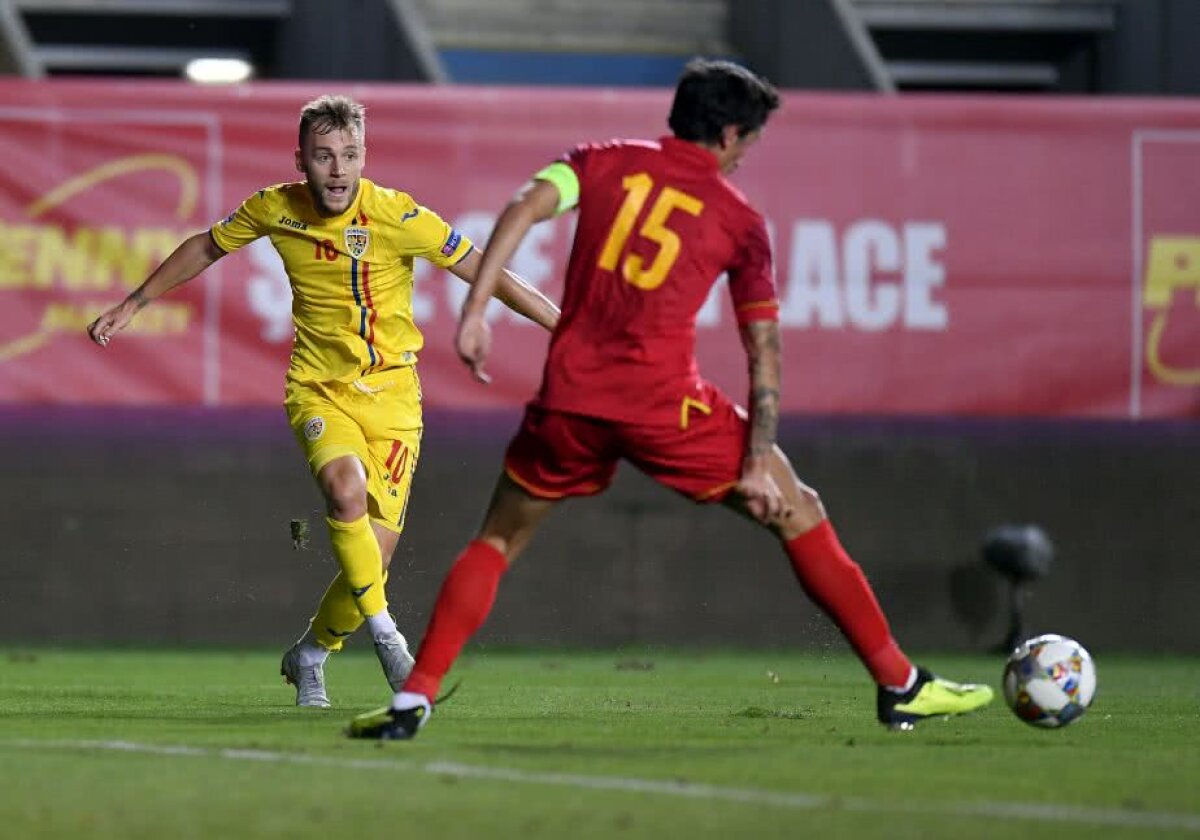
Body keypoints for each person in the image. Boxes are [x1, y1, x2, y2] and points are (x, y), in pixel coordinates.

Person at [348, 60, 993, 740]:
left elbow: (522, 207)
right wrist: (754, 460)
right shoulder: (739, 220)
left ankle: (412, 699)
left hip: (569, 401)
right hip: (663, 406)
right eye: (748, 142)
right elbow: (763, 351)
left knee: (499, 539)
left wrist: (476, 312)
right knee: (800, 509)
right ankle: (899, 683)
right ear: (730, 133)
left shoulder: (597, 162)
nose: (745, 157)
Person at [87, 95, 559, 709]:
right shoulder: (274, 208)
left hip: (393, 400)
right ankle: (391, 640)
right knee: (344, 492)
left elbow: (486, 270)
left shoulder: (398, 215)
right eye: (324, 156)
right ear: (301, 160)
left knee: (370, 564)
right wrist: (135, 301)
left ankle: (311, 653)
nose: (338, 170)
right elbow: (207, 246)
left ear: (365, 156)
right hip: (318, 388)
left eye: (350, 155)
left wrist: (564, 324)